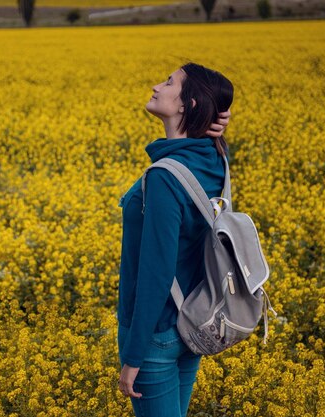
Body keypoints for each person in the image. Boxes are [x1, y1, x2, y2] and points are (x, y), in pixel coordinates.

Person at [116, 62, 234, 417]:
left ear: (189, 104)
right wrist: (216, 122)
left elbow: (156, 271)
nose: (156, 85)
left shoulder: (167, 178)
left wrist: (134, 356)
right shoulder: (215, 159)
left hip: (158, 335)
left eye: (168, 82)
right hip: (192, 320)